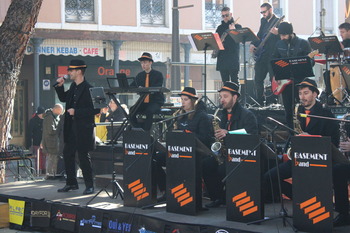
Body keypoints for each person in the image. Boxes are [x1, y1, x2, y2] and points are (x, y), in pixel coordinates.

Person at [263, 78, 339, 202]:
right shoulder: (298, 112)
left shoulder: (326, 114)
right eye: (300, 93)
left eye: (306, 93)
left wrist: (311, 139)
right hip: (300, 158)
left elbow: (334, 142)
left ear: (315, 94)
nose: (302, 97)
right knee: (269, 177)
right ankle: (298, 197)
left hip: (318, 160)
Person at [154, 87, 214, 201]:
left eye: (185, 99)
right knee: (155, 158)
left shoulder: (202, 116)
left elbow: (206, 139)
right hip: (180, 151)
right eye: (181, 99)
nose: (183, 102)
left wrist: (189, 135)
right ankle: (166, 190)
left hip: (196, 153)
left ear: (193, 100)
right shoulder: (179, 116)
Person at [205, 82, 258, 208]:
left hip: (242, 155)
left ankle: (230, 198)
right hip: (227, 152)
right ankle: (217, 197)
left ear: (235, 97)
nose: (222, 100)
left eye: (225, 96)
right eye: (221, 97)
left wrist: (228, 133)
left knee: (222, 169)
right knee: (206, 164)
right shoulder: (222, 114)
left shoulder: (247, 115)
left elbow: (252, 134)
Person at [54, 59, 100, 195]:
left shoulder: (89, 88)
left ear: (79, 71)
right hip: (71, 127)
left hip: (83, 128)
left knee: (83, 156)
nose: (69, 72)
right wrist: (59, 86)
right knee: (67, 153)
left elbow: (96, 109)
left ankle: (89, 185)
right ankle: (71, 183)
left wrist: (77, 112)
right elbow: (64, 98)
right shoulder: (73, 87)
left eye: (71, 70)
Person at [272, 22, 313, 128]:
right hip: (285, 83)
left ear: (291, 33)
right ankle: (291, 135)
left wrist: (306, 61)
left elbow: (311, 62)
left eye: (284, 35)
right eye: (280, 35)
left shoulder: (303, 43)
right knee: (288, 111)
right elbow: (273, 61)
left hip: (300, 82)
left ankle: (304, 131)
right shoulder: (279, 44)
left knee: (302, 109)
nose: (282, 38)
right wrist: (275, 76)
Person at [250, 2, 280, 105]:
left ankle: (273, 102)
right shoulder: (263, 21)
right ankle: (260, 101)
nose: (263, 14)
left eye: (264, 12)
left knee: (274, 80)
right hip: (262, 56)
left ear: (270, 10)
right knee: (258, 79)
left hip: (272, 56)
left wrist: (278, 32)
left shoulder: (278, 21)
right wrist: (253, 44)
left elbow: (286, 35)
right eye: (261, 12)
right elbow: (259, 35)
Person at [130, 52, 164, 131]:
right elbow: (132, 85)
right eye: (141, 63)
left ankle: (146, 132)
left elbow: (157, 87)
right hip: (143, 101)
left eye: (145, 62)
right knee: (132, 110)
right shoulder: (139, 75)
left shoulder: (158, 74)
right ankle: (137, 129)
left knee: (149, 111)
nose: (143, 65)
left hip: (155, 101)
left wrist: (144, 89)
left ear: (150, 62)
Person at [215, 6, 242, 84]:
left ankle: (236, 96)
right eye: (223, 16)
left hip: (233, 57)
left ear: (231, 14)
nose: (225, 18)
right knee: (225, 82)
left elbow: (239, 40)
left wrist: (233, 31)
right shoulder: (219, 28)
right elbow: (216, 41)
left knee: (235, 80)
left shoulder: (237, 26)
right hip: (222, 57)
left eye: (226, 15)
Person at [41, 103, 64, 179]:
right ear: (55, 110)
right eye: (59, 111)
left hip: (53, 142)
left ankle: (52, 174)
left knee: (54, 159)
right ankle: (49, 175)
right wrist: (59, 129)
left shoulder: (53, 116)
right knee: (51, 159)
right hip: (50, 142)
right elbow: (51, 130)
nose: (60, 113)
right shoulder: (49, 117)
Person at [26, 106, 46, 175]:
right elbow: (29, 133)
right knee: (38, 157)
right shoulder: (33, 121)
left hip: (43, 141)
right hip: (36, 141)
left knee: (44, 156)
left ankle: (43, 169)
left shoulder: (44, 120)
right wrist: (28, 143)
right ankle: (38, 170)